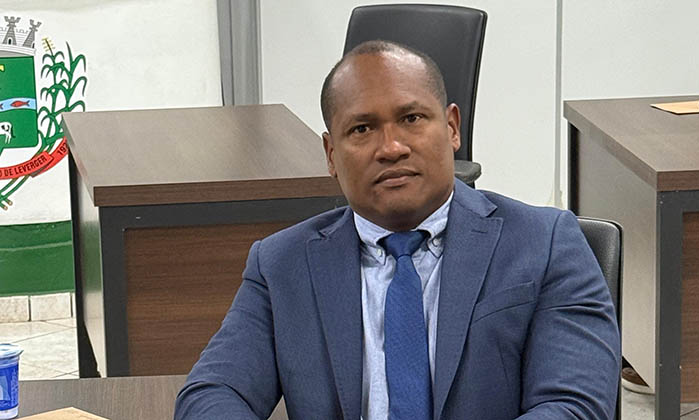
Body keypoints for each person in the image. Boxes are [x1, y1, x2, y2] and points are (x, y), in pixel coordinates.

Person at [174, 40, 621, 420]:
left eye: (411, 119)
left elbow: (572, 406)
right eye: (362, 128)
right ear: (331, 154)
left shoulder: (545, 243)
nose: (391, 148)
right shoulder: (281, 264)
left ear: (452, 128)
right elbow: (211, 394)